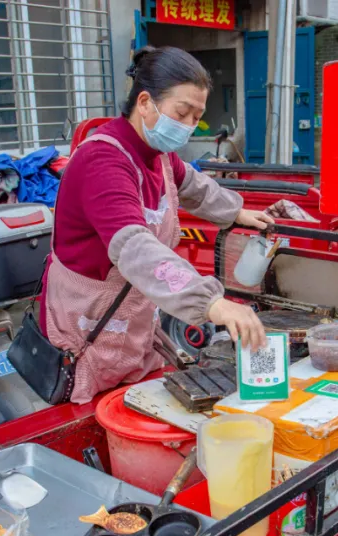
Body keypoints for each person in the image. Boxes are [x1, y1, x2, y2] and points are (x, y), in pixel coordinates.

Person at [40, 46, 271, 404]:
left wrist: (236, 212)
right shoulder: (102, 160)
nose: (189, 126)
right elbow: (135, 246)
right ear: (145, 102)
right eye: (182, 113)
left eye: (197, 117)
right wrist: (211, 303)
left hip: (130, 323)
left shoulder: (158, 156)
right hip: (85, 330)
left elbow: (194, 186)